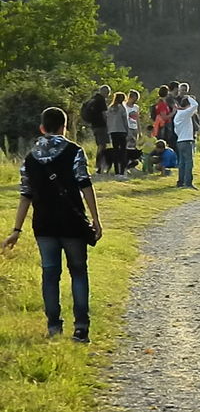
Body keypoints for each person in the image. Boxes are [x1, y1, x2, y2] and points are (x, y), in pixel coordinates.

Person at [1, 107, 102, 343]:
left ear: (42, 128)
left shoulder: (29, 158)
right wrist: (95, 218)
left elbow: (25, 195)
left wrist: (16, 230)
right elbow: (85, 184)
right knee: (78, 272)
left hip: (44, 224)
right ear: (64, 127)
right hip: (72, 223)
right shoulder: (74, 151)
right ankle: (81, 328)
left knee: (49, 274)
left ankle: (54, 327)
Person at [173, 91, 199, 189]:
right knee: (189, 162)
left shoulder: (177, 115)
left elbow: (176, 131)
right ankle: (188, 183)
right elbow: (195, 105)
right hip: (187, 140)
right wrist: (188, 97)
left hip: (180, 140)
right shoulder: (185, 113)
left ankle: (181, 182)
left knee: (182, 163)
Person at [86, 85, 111, 174]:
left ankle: (99, 165)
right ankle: (99, 165)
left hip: (94, 126)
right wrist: (109, 124)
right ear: (105, 92)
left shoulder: (93, 99)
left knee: (100, 145)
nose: (108, 95)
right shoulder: (101, 100)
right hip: (101, 126)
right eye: (108, 93)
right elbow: (104, 114)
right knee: (102, 146)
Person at [106, 92, 129, 180]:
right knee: (123, 152)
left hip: (112, 131)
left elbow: (107, 119)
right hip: (121, 131)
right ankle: (122, 172)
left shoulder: (110, 108)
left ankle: (116, 172)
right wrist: (127, 131)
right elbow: (125, 120)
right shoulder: (122, 108)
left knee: (115, 151)